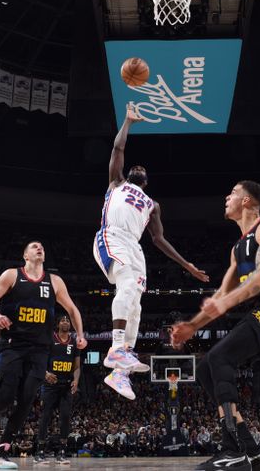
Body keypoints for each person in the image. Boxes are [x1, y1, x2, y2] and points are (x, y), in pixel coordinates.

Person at [171, 180, 260, 471]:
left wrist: (226, 303)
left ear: (246, 201)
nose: (227, 197)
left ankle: (231, 449)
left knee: (220, 357)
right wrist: (192, 326)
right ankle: (253, 451)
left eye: (232, 192)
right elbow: (220, 296)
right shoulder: (236, 249)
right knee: (207, 365)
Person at [93, 102, 209, 400]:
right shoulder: (116, 183)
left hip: (135, 246)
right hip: (112, 236)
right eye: (136, 166)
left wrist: (187, 265)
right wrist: (128, 122)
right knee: (128, 287)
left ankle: (120, 373)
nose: (138, 167)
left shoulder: (152, 204)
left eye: (142, 169)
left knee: (136, 306)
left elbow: (159, 239)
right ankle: (117, 349)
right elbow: (118, 150)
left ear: (145, 181)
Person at [0, 241, 86, 470]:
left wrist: (80, 335)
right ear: (25, 255)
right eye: (34, 246)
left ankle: (2, 450)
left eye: (42, 246)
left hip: (40, 349)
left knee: (27, 400)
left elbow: (72, 309)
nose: (39, 247)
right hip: (13, 345)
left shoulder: (54, 281)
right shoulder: (12, 275)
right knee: (7, 395)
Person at [34, 314, 82, 466]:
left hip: (66, 384)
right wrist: (45, 373)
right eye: (63, 320)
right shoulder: (50, 338)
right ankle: (40, 452)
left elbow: (77, 366)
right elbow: (39, 359)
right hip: (50, 384)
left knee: (66, 417)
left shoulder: (74, 341)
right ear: (58, 324)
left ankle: (62, 451)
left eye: (68, 320)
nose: (66, 322)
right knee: (46, 416)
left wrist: (76, 380)